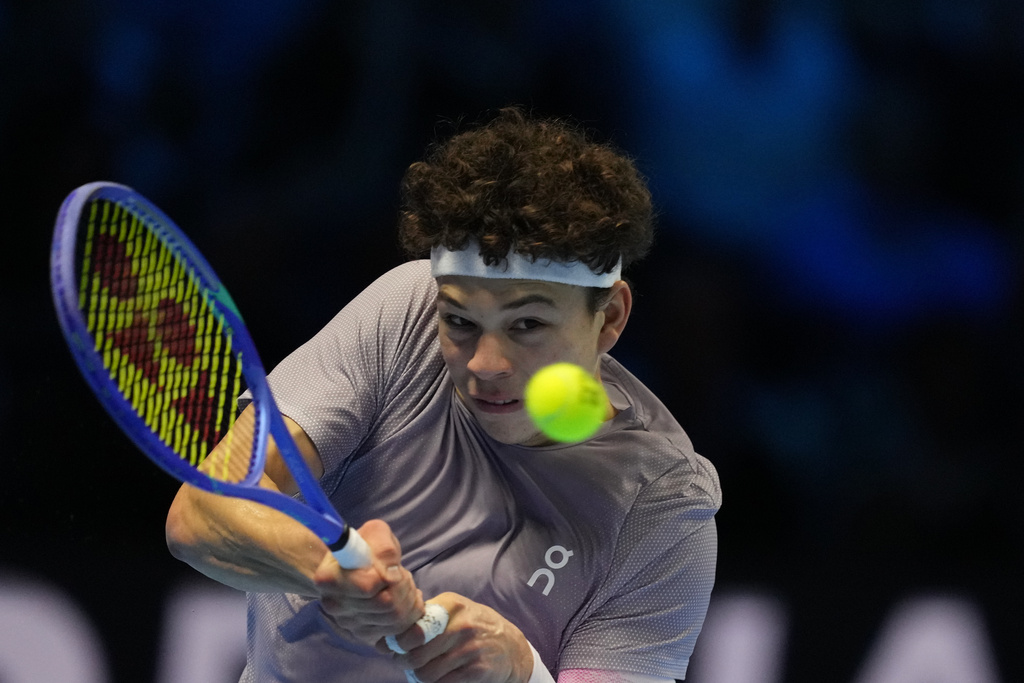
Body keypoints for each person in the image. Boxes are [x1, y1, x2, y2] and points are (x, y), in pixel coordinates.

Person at [165, 107, 721, 683]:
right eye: (460, 321)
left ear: (610, 317)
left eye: (527, 325)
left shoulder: (659, 502)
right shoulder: (406, 313)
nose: (484, 364)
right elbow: (202, 512)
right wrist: (329, 568)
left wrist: (520, 670)